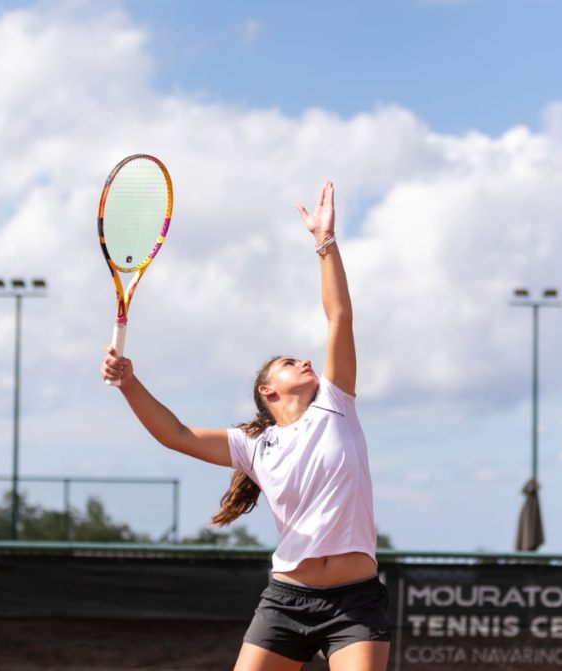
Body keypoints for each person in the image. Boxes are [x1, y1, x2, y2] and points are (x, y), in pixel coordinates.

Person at [101, 181, 390, 670]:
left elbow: (339, 317)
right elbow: (177, 435)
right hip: (287, 601)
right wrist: (129, 383)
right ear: (267, 391)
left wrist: (325, 242)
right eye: (286, 361)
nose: (303, 360)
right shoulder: (255, 445)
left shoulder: (336, 403)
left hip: (356, 603)